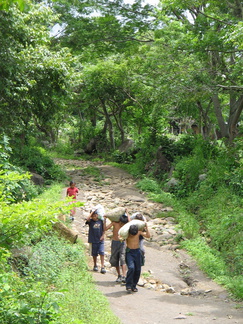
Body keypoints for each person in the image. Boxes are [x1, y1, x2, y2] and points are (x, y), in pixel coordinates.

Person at [124, 223, 150, 293]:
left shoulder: (138, 233)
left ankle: (134, 285)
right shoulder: (126, 234)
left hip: (137, 252)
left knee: (138, 270)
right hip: (129, 252)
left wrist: (147, 227)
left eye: (134, 234)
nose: (132, 235)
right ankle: (128, 285)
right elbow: (120, 237)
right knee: (131, 268)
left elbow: (148, 236)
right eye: (132, 234)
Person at [105, 213, 130, 283]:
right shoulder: (114, 223)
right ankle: (119, 275)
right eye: (122, 223)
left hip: (123, 243)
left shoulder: (126, 226)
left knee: (122, 258)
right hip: (115, 242)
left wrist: (127, 213)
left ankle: (124, 276)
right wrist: (104, 219)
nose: (122, 225)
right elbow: (105, 228)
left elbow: (131, 222)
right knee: (115, 259)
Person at [86, 210, 106, 274]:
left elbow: (104, 229)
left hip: (100, 240)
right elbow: (87, 219)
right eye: (93, 216)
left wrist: (103, 235)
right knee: (94, 254)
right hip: (93, 239)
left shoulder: (100, 221)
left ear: (97, 215)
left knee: (102, 252)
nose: (94, 217)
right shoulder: (90, 222)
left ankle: (102, 266)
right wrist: (92, 212)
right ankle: (95, 265)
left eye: (95, 215)